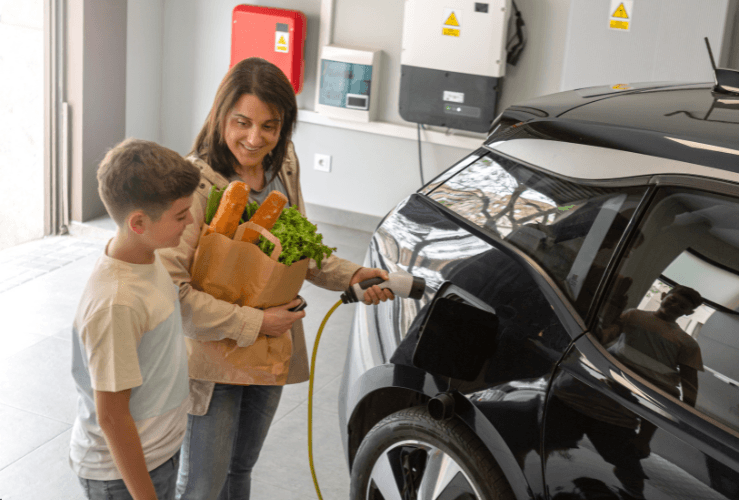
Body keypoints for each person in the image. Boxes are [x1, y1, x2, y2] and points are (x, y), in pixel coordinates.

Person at [158, 57, 395, 500]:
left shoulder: (283, 163)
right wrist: (255, 323)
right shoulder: (193, 185)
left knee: (241, 469)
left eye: (270, 126)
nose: (255, 139)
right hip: (213, 354)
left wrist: (352, 275)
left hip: (272, 343)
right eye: (242, 122)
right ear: (220, 117)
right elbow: (175, 294)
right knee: (203, 485)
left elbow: (300, 252)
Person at [69, 138, 201, 499]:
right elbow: (111, 417)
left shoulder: (146, 256)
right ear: (139, 222)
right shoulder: (117, 304)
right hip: (122, 476)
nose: (190, 220)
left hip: (157, 454)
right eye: (180, 215)